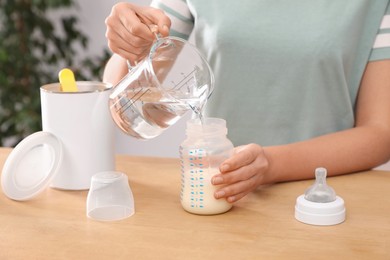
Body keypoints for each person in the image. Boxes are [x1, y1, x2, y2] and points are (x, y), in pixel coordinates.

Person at [103, 1, 390, 203]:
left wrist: (272, 164)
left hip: (326, 199)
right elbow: (122, 83)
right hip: (221, 193)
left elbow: (381, 132)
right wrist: (129, 42)